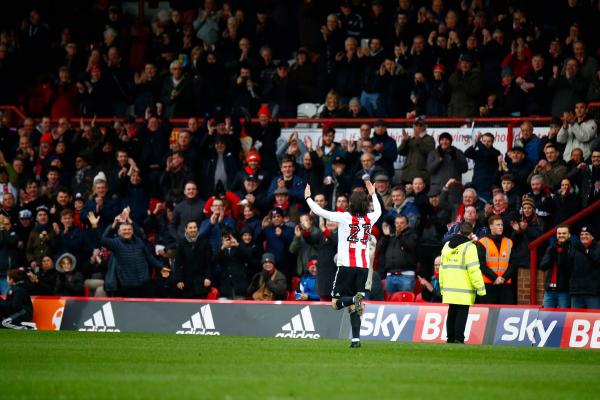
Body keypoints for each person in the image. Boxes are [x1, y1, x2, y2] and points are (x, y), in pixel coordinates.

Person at [305, 178, 382, 348]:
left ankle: (355, 300)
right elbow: (379, 211)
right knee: (356, 306)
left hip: (346, 265)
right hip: (362, 267)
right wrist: (374, 194)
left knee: (335, 303)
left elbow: (319, 211)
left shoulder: (343, 217)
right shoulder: (370, 219)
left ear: (350, 204)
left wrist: (308, 198)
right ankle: (356, 340)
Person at [439, 222, 486, 344]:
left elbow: (442, 268)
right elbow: (474, 270)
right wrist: (481, 289)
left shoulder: (446, 246)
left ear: (458, 230)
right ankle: (459, 339)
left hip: (449, 288)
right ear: (471, 233)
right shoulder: (469, 247)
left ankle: (450, 338)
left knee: (452, 312)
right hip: (464, 289)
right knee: (461, 313)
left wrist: (442, 287)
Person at [477, 215, 517, 304]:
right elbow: (481, 264)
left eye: (501, 225)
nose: (500, 227)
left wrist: (503, 278)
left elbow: (513, 264)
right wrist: (495, 278)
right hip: (488, 284)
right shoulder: (482, 242)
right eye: (498, 225)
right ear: (491, 226)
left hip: (505, 285)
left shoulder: (509, 242)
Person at [174, 220, 214, 299]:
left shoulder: (205, 243)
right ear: (186, 229)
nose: (193, 229)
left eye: (195, 227)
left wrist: (208, 277)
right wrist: (179, 280)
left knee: (203, 310)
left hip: (202, 283)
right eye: (190, 228)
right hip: (187, 284)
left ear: (197, 229)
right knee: (190, 311)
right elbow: (177, 264)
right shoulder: (181, 244)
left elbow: (209, 263)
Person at [539, 224, 573, 308]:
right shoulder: (551, 248)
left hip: (564, 291)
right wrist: (552, 254)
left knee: (564, 318)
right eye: (559, 233)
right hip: (549, 291)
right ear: (556, 234)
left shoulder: (572, 249)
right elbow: (543, 266)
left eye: (564, 233)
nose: (561, 235)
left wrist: (562, 252)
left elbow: (567, 267)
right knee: (546, 317)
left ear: (569, 235)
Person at [569, 226, 600, 309]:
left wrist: (584, 250)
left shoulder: (597, 248)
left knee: (594, 319)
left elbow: (596, 259)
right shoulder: (575, 248)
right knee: (574, 319)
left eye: (587, 234)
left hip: (593, 293)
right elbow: (568, 265)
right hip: (576, 292)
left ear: (592, 237)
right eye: (582, 234)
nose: (584, 236)